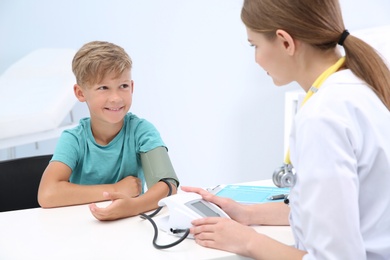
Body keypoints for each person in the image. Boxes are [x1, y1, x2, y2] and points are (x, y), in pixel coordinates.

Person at [182, 0, 390, 259]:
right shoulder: (361, 86)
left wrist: (247, 241)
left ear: (285, 42)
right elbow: (341, 209)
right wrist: (247, 214)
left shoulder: (322, 117)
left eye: (254, 45)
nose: (256, 59)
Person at [38, 41, 179, 221]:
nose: (116, 98)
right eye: (103, 88)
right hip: (80, 226)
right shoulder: (73, 139)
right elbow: (47, 194)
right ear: (80, 93)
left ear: (132, 87)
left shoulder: (142, 131)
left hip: (129, 224)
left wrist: (133, 207)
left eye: (123, 86)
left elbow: (167, 185)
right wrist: (115, 190)